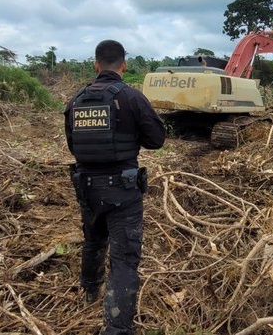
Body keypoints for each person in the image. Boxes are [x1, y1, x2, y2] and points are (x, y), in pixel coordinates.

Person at [64, 39, 166, 335]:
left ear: (96, 65)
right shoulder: (132, 97)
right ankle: (117, 329)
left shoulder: (75, 101)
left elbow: (73, 145)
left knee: (93, 240)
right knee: (123, 260)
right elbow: (156, 140)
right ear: (124, 65)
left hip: (87, 189)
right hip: (123, 192)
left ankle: (90, 291)